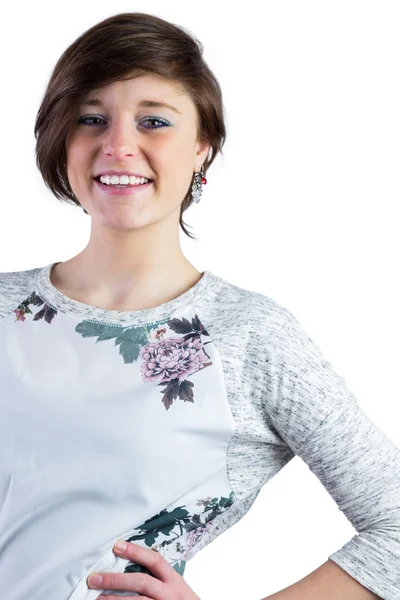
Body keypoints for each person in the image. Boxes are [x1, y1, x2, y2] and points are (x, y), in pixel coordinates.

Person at [0, 12, 398, 600]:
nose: (118, 145)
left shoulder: (248, 338)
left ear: (201, 149)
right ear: (61, 140)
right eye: (91, 118)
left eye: (154, 121)